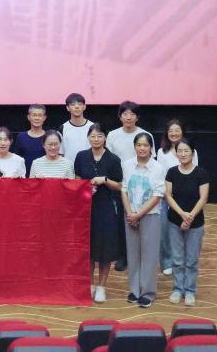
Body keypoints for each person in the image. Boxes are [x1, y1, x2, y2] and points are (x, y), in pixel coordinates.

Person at [73, 122, 123, 303]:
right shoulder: (81, 156)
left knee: (105, 250)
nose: (96, 139)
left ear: (105, 138)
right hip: (86, 209)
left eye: (100, 136)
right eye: (93, 136)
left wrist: (105, 180)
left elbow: (119, 185)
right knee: (89, 249)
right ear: (88, 137)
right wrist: (85, 187)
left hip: (107, 209)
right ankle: (90, 284)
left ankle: (102, 286)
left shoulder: (113, 159)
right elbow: (77, 180)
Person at [120, 132, 166, 308]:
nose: (142, 148)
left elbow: (157, 194)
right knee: (133, 254)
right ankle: (134, 290)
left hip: (150, 215)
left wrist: (138, 215)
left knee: (149, 255)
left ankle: (147, 292)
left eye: (145, 145)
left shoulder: (158, 168)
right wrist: (130, 213)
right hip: (130, 215)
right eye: (138, 145)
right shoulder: (127, 165)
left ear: (151, 148)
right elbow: (124, 189)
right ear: (134, 147)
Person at [105, 100, 151, 271]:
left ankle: (141, 256)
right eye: (125, 114)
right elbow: (109, 160)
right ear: (120, 116)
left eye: (132, 114)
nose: (129, 117)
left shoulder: (145, 135)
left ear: (137, 117)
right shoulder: (112, 135)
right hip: (118, 184)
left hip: (140, 184)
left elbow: (150, 161)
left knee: (142, 219)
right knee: (121, 222)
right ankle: (123, 256)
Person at [165, 138, 210, 307]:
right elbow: (168, 196)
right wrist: (182, 214)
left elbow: (203, 198)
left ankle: (190, 290)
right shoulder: (171, 172)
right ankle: (178, 289)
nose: (183, 154)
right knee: (177, 259)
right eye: (180, 151)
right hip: (174, 220)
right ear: (176, 153)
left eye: (186, 151)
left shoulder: (201, 173)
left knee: (191, 260)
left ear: (193, 153)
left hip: (196, 222)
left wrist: (189, 217)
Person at [157, 119, 199, 276]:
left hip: (186, 197)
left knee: (186, 229)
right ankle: (167, 261)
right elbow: (160, 175)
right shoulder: (162, 152)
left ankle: (185, 260)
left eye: (177, 130)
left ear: (182, 132)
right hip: (166, 196)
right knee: (165, 231)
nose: (174, 133)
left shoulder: (192, 151)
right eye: (170, 131)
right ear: (166, 133)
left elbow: (195, 174)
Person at [12, 104, 49, 174]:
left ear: (44, 118)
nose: (37, 118)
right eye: (34, 115)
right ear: (29, 117)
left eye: (40, 115)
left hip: (45, 176)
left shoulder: (49, 136)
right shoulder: (21, 137)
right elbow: (16, 159)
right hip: (25, 177)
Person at [61, 92, 95, 161]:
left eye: (80, 104)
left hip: (89, 166)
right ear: (67, 108)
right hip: (68, 167)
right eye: (73, 104)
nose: (77, 107)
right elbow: (60, 153)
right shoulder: (62, 128)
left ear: (84, 107)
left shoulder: (93, 127)